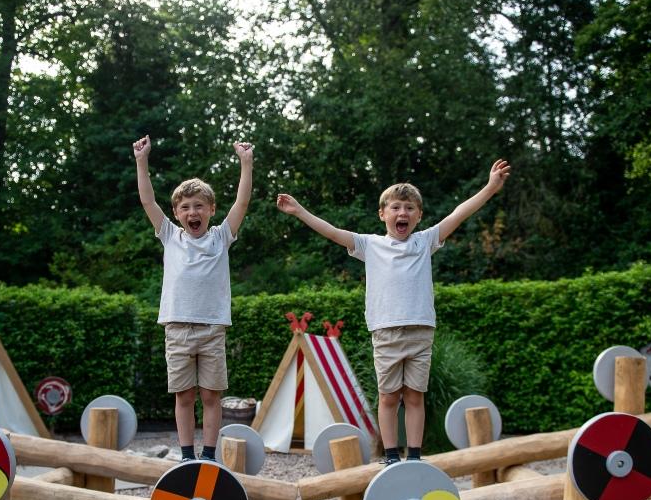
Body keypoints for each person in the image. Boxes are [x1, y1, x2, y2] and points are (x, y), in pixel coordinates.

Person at [276, 159, 510, 464]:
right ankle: (390, 455)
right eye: (397, 207)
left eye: (410, 208)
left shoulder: (425, 241)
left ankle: (413, 455)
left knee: (414, 396)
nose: (403, 213)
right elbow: (332, 232)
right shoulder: (369, 245)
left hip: (420, 331)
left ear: (419, 216)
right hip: (385, 332)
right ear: (383, 214)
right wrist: (300, 211)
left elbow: (459, 213)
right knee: (388, 396)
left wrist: (491, 187)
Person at [133, 134, 254, 462]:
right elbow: (147, 201)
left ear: (211, 209)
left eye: (199, 205)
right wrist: (142, 161)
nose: (192, 211)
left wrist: (246, 163)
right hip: (178, 330)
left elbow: (242, 203)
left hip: (212, 329)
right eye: (185, 207)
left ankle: (210, 454)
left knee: (211, 395)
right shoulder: (170, 235)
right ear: (176, 212)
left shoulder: (221, 237)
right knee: (184, 395)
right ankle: (188, 455)